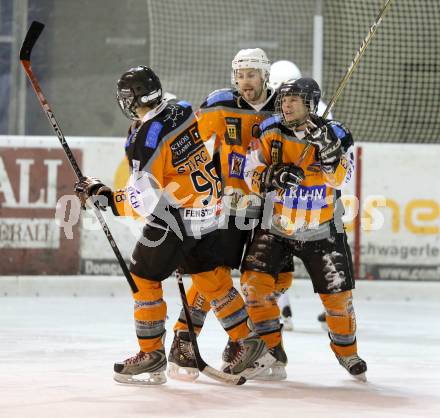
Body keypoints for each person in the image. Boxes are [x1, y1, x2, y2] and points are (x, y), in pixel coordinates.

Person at [73, 65, 275, 385]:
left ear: (135, 99)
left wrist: (106, 198)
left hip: (176, 214)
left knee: (143, 276)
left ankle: (151, 355)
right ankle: (248, 341)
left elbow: (146, 198)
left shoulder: (146, 137)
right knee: (211, 277)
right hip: (209, 207)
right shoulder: (179, 108)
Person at [168, 49, 292, 381]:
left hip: (273, 209)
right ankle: (183, 339)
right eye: (239, 75)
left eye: (251, 74)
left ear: (265, 76)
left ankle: (262, 344)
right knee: (214, 271)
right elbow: (187, 144)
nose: (244, 81)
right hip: (229, 205)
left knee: (269, 279)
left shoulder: (284, 106)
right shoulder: (220, 103)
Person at [242, 77, 367, 381]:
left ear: (310, 104)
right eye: (284, 100)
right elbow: (249, 171)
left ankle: (347, 353)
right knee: (254, 287)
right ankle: (272, 352)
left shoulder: (336, 133)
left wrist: (328, 151)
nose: (286, 105)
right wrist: (274, 174)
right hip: (277, 227)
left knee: (338, 300)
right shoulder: (270, 130)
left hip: (321, 229)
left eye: (294, 100)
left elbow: (341, 180)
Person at [269, 59, 332, 331]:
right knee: (280, 259)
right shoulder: (275, 114)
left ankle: (327, 309)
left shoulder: (321, 112)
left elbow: (334, 154)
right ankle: (282, 310)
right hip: (287, 195)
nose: (286, 101)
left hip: (314, 194)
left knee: (321, 257)